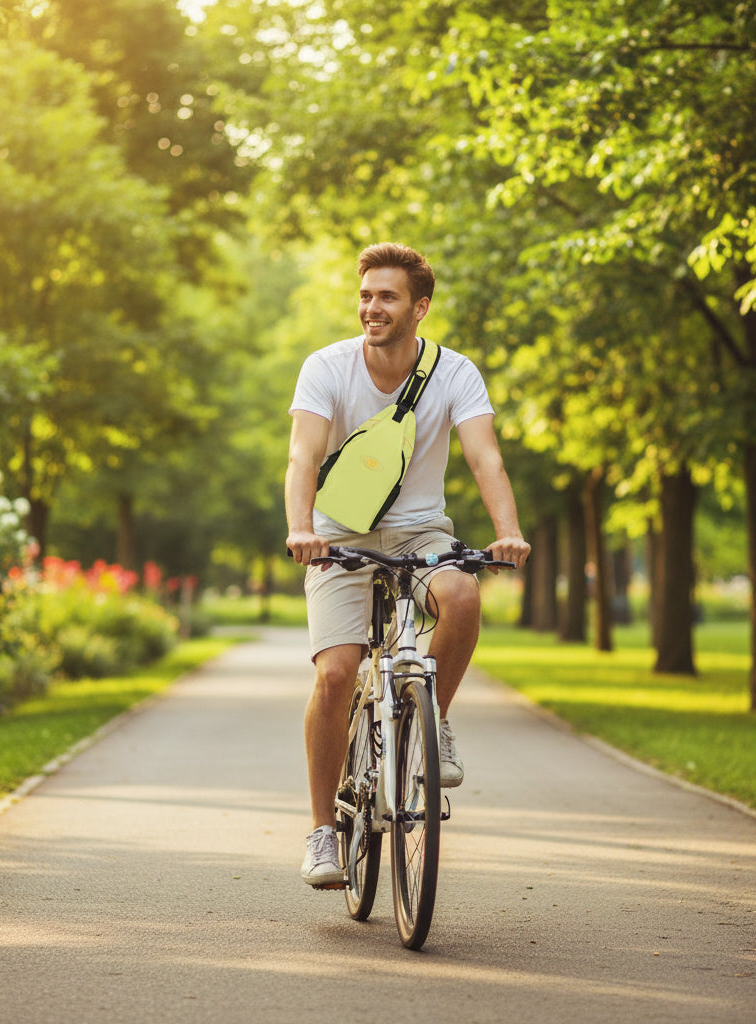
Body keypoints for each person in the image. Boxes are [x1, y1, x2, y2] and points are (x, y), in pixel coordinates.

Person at [286, 242, 531, 887]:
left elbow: (485, 458)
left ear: (419, 308)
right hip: (338, 535)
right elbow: (302, 458)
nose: (372, 307)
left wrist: (507, 532)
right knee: (337, 674)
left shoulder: (455, 373)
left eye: (388, 297)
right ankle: (321, 834)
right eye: (366, 295)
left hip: (421, 534)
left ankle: (434, 724)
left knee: (464, 598)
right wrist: (302, 528)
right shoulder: (327, 367)